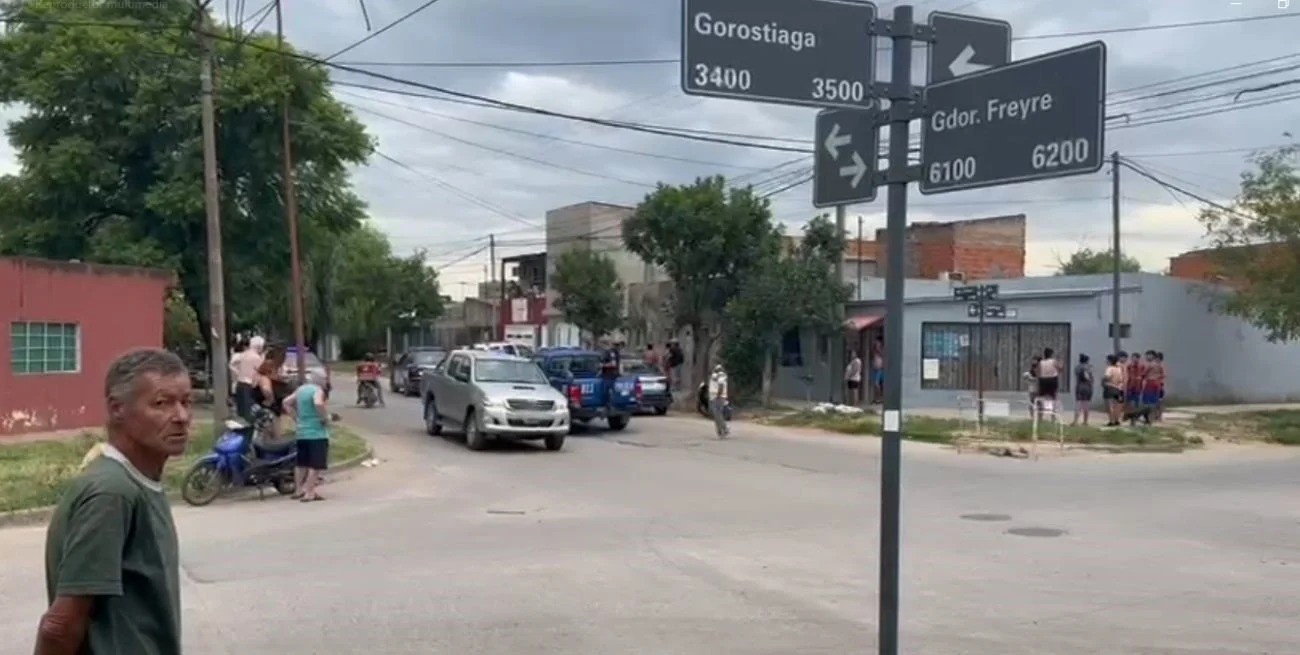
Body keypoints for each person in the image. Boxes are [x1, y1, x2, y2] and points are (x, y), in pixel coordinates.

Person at [37, 349, 191, 655]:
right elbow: (60, 626)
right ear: (117, 408)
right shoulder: (113, 492)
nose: (182, 417)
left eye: (185, 402)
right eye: (161, 403)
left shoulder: (138, 481)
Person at [283, 378, 332, 502]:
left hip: (302, 432)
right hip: (316, 433)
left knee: (302, 463)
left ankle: (298, 490)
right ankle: (309, 492)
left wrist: (296, 418)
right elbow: (318, 403)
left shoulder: (300, 390)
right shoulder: (317, 390)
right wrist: (324, 418)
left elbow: (286, 402)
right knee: (315, 465)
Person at [230, 335, 264, 422]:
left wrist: (237, 373)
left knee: (241, 413)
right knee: (250, 414)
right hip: (249, 386)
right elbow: (261, 372)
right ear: (259, 346)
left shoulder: (243, 355)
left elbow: (232, 364)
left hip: (239, 384)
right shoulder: (257, 358)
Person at [707, 363, 730, 439]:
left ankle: (721, 431)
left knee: (717, 415)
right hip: (716, 397)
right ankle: (723, 429)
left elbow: (721, 385)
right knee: (718, 414)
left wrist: (718, 395)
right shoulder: (716, 375)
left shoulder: (721, 375)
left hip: (718, 397)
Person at [1102, 354, 1125, 426]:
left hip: (1109, 388)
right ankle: (1116, 420)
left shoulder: (1109, 368)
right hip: (1117, 388)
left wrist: (1102, 381)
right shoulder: (1118, 369)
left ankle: (1111, 421)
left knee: (1110, 406)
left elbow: (1107, 377)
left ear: (1110, 361)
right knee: (1117, 405)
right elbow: (1121, 379)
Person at [599, 339, 622, 410]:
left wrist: (602, 366)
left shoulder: (611, 353)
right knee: (610, 390)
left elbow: (613, 364)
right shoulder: (616, 352)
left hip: (609, 375)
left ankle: (609, 405)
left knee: (608, 390)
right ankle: (611, 405)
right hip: (611, 374)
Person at [1073, 353, 1094, 426]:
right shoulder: (1088, 367)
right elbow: (1088, 377)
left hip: (1079, 386)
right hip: (1087, 387)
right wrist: (1090, 381)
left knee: (1078, 404)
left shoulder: (1077, 367)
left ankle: (1075, 421)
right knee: (1086, 404)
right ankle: (1085, 421)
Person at [870, 336, 885, 404]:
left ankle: (880, 398)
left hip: (880, 369)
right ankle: (876, 398)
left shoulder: (882, 351)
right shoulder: (874, 352)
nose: (876, 345)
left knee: (879, 384)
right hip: (875, 368)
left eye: (877, 343)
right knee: (876, 384)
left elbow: (882, 355)